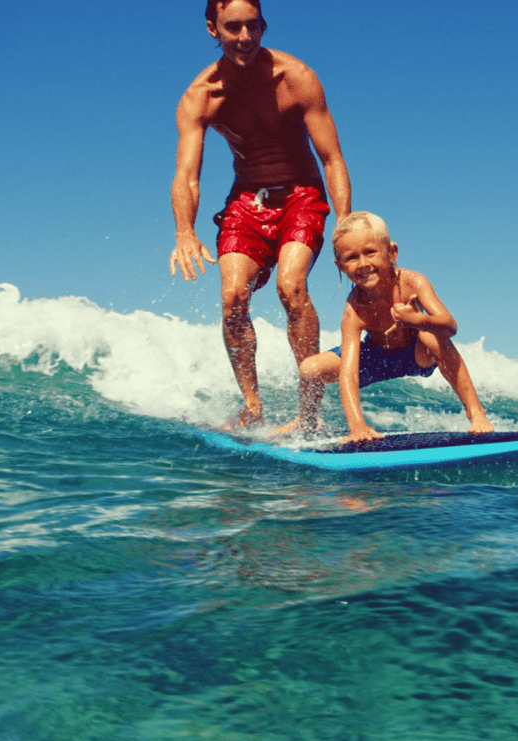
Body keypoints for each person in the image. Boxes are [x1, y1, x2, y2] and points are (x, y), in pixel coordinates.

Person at [168, 0, 351, 432]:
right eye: (233, 27)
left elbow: (332, 160)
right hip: (246, 199)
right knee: (233, 298)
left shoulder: (296, 78)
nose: (245, 38)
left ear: (264, 25)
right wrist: (184, 231)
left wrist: (343, 222)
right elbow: (187, 176)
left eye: (253, 26)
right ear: (213, 29)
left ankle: (309, 413)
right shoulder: (202, 96)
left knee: (291, 286)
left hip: (301, 195)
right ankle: (252, 405)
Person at [298, 212, 494, 443]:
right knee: (309, 369)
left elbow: (450, 326)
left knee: (431, 336)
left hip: (415, 354)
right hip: (376, 359)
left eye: (370, 252)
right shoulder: (354, 309)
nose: (363, 264)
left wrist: (418, 321)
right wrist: (357, 426)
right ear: (340, 266)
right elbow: (349, 372)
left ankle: (476, 413)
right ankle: (307, 421)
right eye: (351, 258)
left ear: (391, 252)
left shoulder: (413, 282)